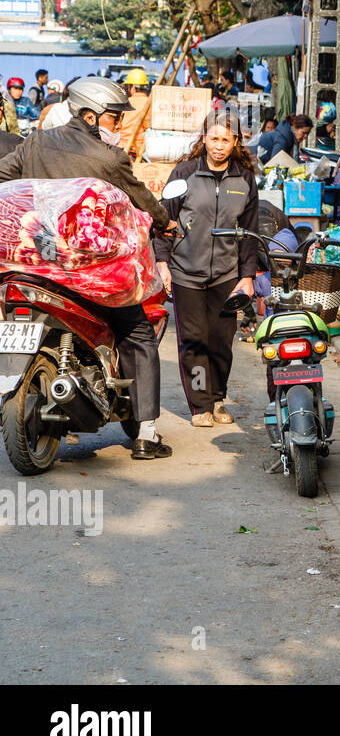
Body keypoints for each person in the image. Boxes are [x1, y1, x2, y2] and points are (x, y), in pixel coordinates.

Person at [0, 76, 177, 459]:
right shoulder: (108, 158)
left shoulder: (35, 142)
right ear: (91, 115)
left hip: (34, 265)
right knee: (139, 334)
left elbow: (4, 177)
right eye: (115, 118)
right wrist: (166, 222)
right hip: (90, 272)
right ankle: (146, 433)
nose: (118, 125)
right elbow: (143, 201)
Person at [154, 110, 260, 427]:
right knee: (194, 341)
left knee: (221, 342)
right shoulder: (184, 173)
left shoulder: (244, 178)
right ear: (204, 139)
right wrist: (163, 262)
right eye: (213, 138)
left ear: (235, 142)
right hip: (186, 272)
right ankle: (201, 405)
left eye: (225, 140)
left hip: (227, 275)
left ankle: (217, 398)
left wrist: (247, 276)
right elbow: (163, 221)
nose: (218, 145)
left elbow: (250, 231)